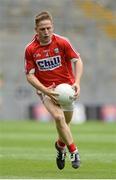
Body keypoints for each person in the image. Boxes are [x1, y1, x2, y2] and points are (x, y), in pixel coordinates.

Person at [24, 11, 83, 170]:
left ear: (52, 27)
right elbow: (30, 76)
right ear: (36, 29)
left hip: (67, 90)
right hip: (47, 90)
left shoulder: (63, 42)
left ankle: (60, 146)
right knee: (58, 117)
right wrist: (45, 90)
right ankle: (74, 152)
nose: (46, 32)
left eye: (49, 28)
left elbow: (77, 61)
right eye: (42, 29)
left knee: (66, 123)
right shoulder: (30, 49)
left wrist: (77, 82)